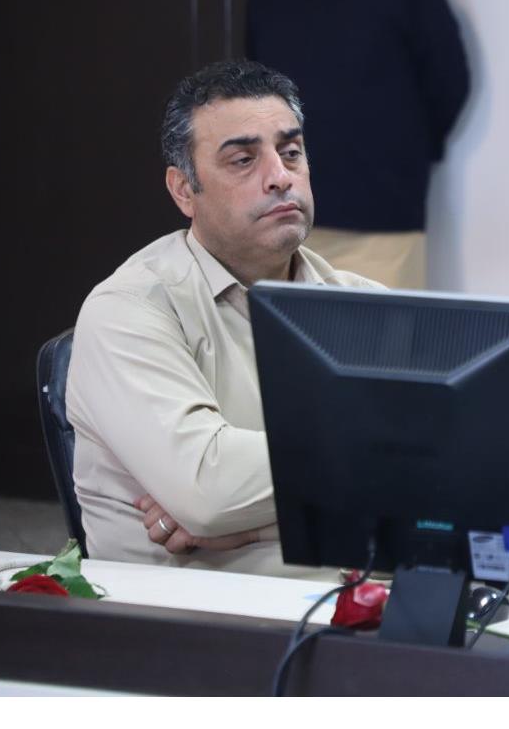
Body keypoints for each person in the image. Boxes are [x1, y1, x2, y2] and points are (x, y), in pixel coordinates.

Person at [67, 61, 381, 576]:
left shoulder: (364, 303)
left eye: (291, 153)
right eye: (243, 160)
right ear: (183, 190)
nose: (280, 177)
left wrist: (253, 527)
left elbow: (447, 488)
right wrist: (385, 461)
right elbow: (209, 493)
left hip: (351, 602)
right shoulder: (128, 309)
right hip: (189, 615)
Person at [245, 0, 470, 289]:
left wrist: (405, 152)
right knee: (288, 334)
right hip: (285, 214)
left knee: (386, 334)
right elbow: (254, 96)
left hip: (384, 219)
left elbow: (450, 81)